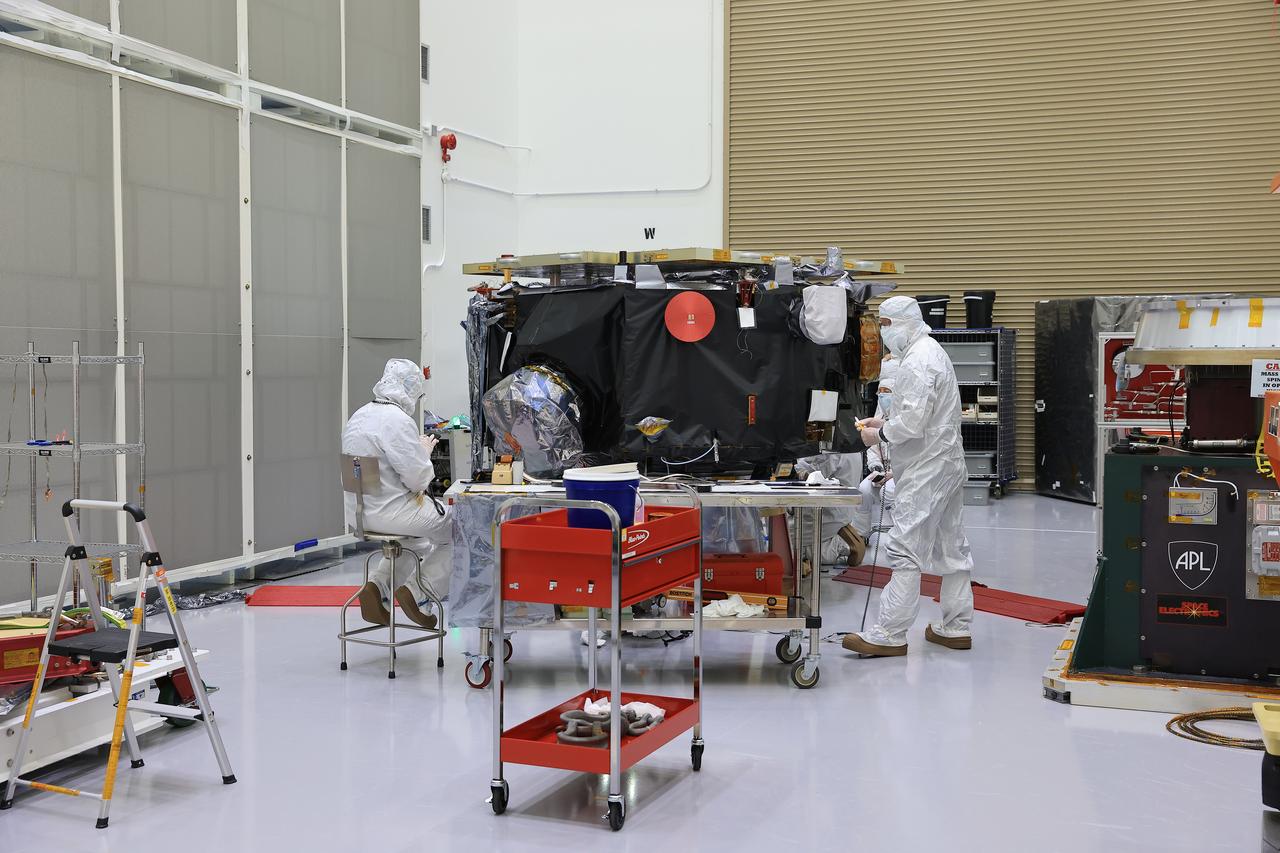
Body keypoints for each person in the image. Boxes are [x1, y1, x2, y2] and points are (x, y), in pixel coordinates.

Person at [843, 296, 975, 656]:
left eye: (885, 325)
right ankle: (956, 627)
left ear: (904, 322)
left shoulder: (918, 361)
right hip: (946, 462)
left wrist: (879, 435)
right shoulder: (931, 352)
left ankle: (890, 633)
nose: (883, 334)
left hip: (926, 467)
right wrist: (883, 421)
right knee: (951, 546)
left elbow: (913, 425)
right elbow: (922, 416)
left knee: (904, 548)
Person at [341, 359, 452, 629]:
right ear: (411, 389)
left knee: (418, 542)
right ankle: (420, 592)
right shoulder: (397, 421)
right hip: (392, 514)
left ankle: (378, 589)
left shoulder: (359, 416)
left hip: (359, 515)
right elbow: (418, 479)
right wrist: (424, 451)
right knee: (463, 531)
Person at [853, 356, 898, 561]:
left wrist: (892, 473)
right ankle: (860, 535)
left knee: (889, 492)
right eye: (880, 392)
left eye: (887, 392)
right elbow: (873, 448)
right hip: (883, 472)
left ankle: (900, 536)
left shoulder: (904, 422)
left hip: (901, 474)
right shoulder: (879, 418)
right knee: (863, 489)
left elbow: (910, 455)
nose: (882, 396)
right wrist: (876, 468)